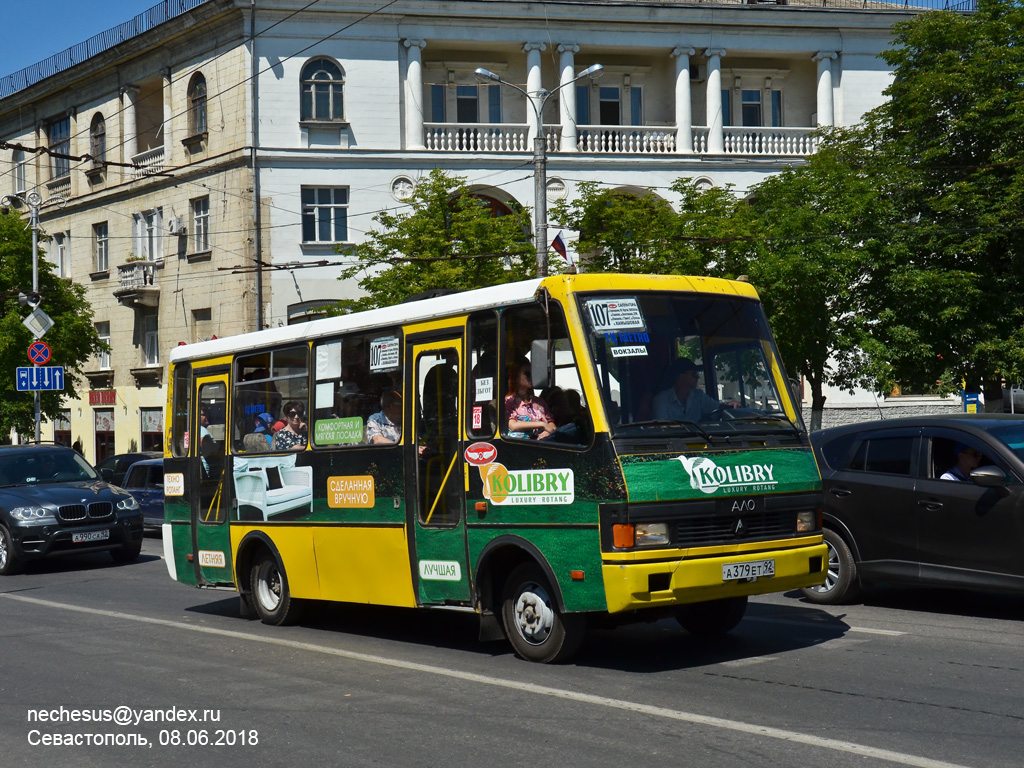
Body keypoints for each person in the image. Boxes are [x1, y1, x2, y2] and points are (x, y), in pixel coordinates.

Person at [651, 358, 731, 422]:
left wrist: (729, 406)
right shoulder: (661, 400)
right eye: (693, 374)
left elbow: (718, 410)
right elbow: (662, 430)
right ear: (681, 376)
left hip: (700, 441)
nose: (697, 377)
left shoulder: (699, 396)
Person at [504, 362, 556, 439]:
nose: (532, 377)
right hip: (524, 444)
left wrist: (548, 431)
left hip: (544, 441)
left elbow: (551, 424)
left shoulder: (540, 402)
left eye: (533, 374)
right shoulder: (508, 401)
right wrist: (542, 424)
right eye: (528, 374)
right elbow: (513, 426)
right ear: (516, 377)